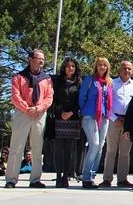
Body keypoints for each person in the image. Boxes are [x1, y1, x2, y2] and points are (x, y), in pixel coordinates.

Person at [4, 49, 53, 189]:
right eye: (39, 58)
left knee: (37, 147)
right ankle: (11, 179)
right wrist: (27, 109)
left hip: (39, 113)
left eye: (43, 59)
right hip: (22, 113)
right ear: (30, 59)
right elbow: (15, 96)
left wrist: (38, 108)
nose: (42, 61)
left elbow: (49, 97)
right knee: (16, 146)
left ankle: (35, 179)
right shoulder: (18, 77)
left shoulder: (47, 79)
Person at [100, 60, 133, 188]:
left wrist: (130, 121)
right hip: (113, 120)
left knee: (125, 152)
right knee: (111, 150)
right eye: (124, 68)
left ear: (132, 71)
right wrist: (114, 118)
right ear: (119, 70)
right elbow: (106, 102)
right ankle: (107, 178)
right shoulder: (111, 83)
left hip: (129, 123)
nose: (126, 71)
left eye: (129, 68)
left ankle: (122, 179)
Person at [78, 57, 114, 189]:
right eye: (99, 65)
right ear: (96, 66)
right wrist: (84, 111)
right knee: (95, 145)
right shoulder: (89, 80)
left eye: (104, 65)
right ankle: (86, 177)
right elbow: (82, 97)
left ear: (107, 67)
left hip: (104, 117)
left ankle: (92, 177)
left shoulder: (109, 82)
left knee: (100, 148)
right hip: (90, 116)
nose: (102, 67)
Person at [51, 57, 82, 188]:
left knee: (69, 150)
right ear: (64, 67)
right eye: (68, 66)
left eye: (73, 66)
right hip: (59, 118)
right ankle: (58, 176)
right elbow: (53, 99)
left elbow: (80, 101)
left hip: (72, 118)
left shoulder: (79, 82)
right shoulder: (57, 81)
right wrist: (61, 113)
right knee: (58, 150)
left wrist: (71, 113)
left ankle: (66, 177)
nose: (70, 68)